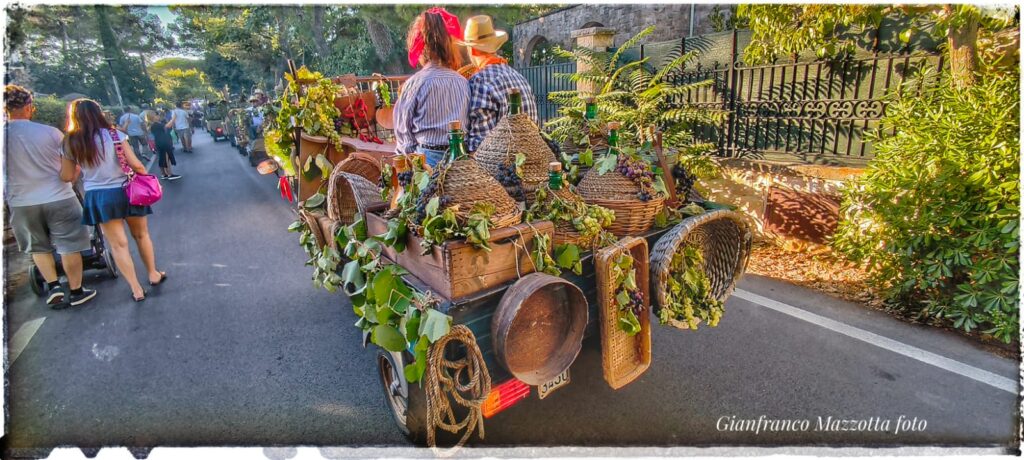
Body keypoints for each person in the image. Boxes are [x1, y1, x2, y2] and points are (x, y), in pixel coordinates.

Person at [60, 98, 167, 302]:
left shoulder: (70, 142)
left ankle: (136, 289)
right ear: (98, 113)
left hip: (99, 196)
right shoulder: (114, 134)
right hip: (128, 191)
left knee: (118, 245)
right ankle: (153, 274)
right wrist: (148, 180)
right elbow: (136, 165)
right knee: (141, 235)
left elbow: (66, 176)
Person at [4, 85, 97, 308]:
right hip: (59, 196)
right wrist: (75, 175)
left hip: (22, 202)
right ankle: (76, 290)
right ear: (29, 107)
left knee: (38, 247)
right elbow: (69, 166)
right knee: (69, 244)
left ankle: (54, 286)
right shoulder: (50, 132)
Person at [392, 7, 469, 167]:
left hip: (426, 163)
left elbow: (404, 138)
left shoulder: (414, 84)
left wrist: (412, 165)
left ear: (421, 47)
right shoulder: (463, 82)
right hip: (461, 163)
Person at [461, 15, 540, 152]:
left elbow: (481, 146)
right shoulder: (518, 76)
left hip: (502, 163)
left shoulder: (480, 81)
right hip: (533, 159)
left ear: (472, 49)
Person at [147, 110, 180, 181]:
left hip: (159, 142)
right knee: (166, 158)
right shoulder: (156, 124)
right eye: (156, 115)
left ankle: (164, 174)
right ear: (152, 117)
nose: (158, 116)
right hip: (163, 142)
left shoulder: (153, 125)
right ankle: (170, 174)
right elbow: (168, 126)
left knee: (162, 158)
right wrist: (173, 118)